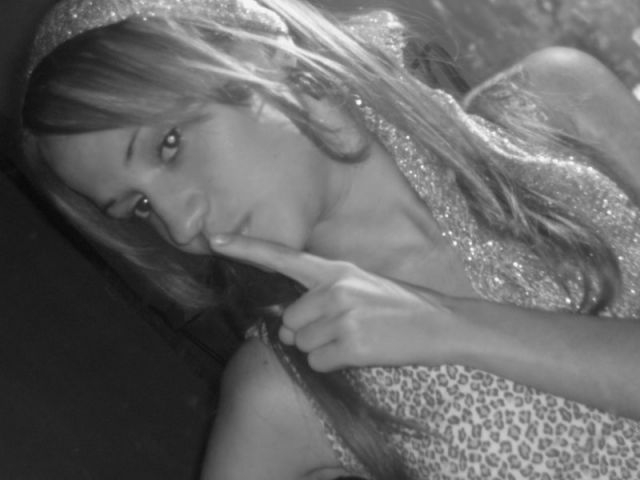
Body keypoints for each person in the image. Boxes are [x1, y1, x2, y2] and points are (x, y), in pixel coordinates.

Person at [19, 0, 640, 478]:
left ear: (255, 50)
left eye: (168, 144)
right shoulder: (294, 384)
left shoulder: (560, 108)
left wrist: (450, 326)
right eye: (139, 207)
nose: (181, 227)